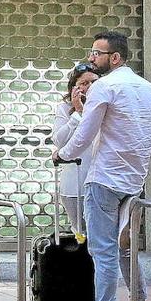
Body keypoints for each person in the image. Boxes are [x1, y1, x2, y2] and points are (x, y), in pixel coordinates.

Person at [55, 31, 151, 301]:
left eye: (96, 53)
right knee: (126, 249)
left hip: (103, 179)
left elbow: (85, 135)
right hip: (135, 181)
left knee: (103, 252)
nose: (91, 58)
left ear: (114, 58)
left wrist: (61, 154)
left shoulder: (105, 87)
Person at [53, 63, 100, 237]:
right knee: (81, 233)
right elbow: (60, 141)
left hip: (101, 182)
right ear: (74, 87)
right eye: (84, 83)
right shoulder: (65, 109)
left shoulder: (104, 107)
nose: (89, 87)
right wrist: (78, 113)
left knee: (100, 235)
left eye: (93, 82)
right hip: (75, 183)